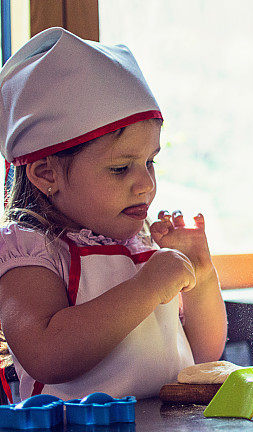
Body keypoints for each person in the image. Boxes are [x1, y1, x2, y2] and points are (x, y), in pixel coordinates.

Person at [0, 28, 227, 401]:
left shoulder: (141, 244)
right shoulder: (29, 251)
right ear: (46, 174)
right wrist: (147, 287)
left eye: (149, 162)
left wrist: (201, 275)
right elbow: (47, 356)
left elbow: (203, 355)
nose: (146, 186)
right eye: (121, 168)